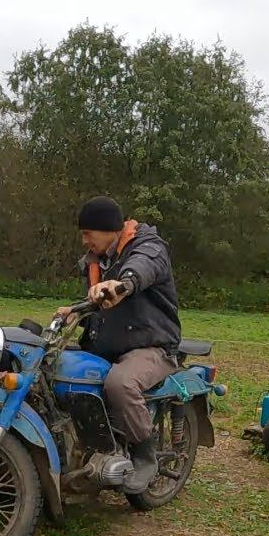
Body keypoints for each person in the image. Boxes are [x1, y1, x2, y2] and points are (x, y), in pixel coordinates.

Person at [57, 196, 181, 492]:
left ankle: (144, 455)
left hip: (151, 345)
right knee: (55, 368)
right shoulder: (96, 261)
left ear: (109, 229)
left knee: (120, 384)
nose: (84, 241)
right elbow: (98, 300)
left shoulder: (148, 248)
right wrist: (74, 310)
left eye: (88, 233)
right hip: (107, 345)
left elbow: (141, 269)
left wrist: (122, 284)